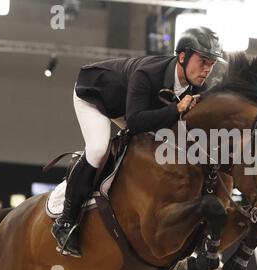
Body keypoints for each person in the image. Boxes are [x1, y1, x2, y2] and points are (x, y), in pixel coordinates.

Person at [51, 26, 223, 257]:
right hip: (96, 96)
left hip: (131, 106)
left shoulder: (198, 86)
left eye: (211, 63)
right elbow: (136, 122)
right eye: (203, 61)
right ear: (182, 56)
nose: (207, 69)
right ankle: (65, 221)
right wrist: (176, 109)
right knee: (98, 149)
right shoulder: (148, 73)